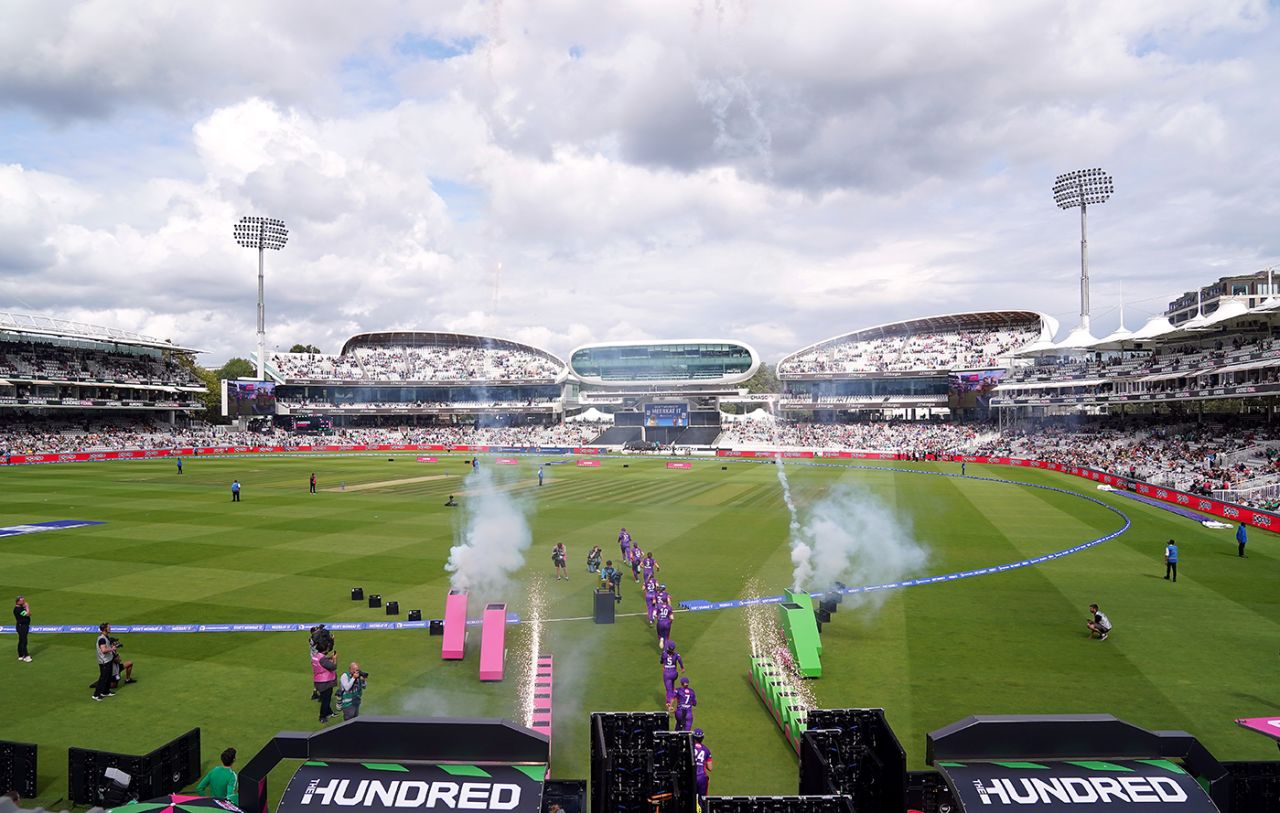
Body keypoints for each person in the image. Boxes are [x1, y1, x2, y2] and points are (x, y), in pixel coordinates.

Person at [311, 646, 338, 723]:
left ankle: (329, 712)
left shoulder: (316, 656)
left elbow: (322, 662)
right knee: (326, 700)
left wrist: (330, 658)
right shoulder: (322, 659)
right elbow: (333, 667)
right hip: (325, 682)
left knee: (325, 698)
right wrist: (334, 659)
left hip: (318, 681)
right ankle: (322, 716)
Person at [93, 623, 117, 700]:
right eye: (109, 627)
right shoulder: (102, 639)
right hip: (104, 661)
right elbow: (103, 650)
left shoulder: (106, 637)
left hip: (108, 660)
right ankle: (96, 694)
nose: (110, 628)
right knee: (103, 678)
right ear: (104, 629)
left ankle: (105, 691)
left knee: (108, 677)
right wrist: (112, 649)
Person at [691, 728, 713, 801]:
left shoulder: (689, 748)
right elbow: (710, 768)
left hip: (691, 777)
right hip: (702, 778)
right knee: (702, 800)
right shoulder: (706, 750)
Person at [13, 596, 31, 662]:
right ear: (18, 601)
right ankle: (26, 656)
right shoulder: (18, 609)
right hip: (22, 627)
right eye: (22, 601)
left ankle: (20, 655)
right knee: (24, 641)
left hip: (21, 626)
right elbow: (28, 614)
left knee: (21, 640)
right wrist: (27, 607)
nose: (24, 602)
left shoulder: (20, 608)